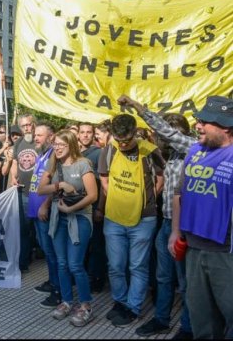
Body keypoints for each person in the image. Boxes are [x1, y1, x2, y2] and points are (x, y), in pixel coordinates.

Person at [118, 95, 194, 339]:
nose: (163, 137)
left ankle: (187, 328)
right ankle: (161, 319)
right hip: (167, 225)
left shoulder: (192, 149)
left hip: (184, 228)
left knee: (184, 283)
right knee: (163, 277)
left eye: (169, 133)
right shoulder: (171, 155)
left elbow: (164, 131)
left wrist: (136, 105)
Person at [168, 96, 233, 339]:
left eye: (205, 122)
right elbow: (178, 192)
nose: (198, 126)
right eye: (198, 120)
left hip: (225, 252)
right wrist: (175, 231)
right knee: (201, 318)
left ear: (225, 126)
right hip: (193, 248)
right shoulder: (195, 150)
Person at [98, 114, 165, 327]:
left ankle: (133, 307)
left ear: (135, 132)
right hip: (114, 218)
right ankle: (119, 301)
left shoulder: (150, 150)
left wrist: (145, 201)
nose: (123, 144)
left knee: (138, 266)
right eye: (119, 140)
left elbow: (161, 177)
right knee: (116, 265)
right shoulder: (108, 150)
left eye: (127, 140)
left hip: (144, 220)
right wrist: (120, 199)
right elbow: (104, 178)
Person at [38, 130, 98, 327]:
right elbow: (41, 189)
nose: (57, 148)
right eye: (55, 144)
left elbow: (92, 196)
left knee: (75, 265)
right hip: (58, 217)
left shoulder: (83, 164)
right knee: (61, 263)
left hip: (79, 218)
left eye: (61, 145)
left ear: (71, 145)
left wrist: (71, 208)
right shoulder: (54, 163)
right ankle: (66, 301)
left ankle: (86, 305)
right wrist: (60, 184)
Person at [27, 123, 60, 308]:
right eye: (35, 134)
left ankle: (57, 288)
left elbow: (56, 184)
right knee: (46, 250)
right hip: (35, 210)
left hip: (44, 211)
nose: (36, 138)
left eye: (40, 135)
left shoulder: (54, 156)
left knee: (51, 251)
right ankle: (52, 281)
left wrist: (45, 206)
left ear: (51, 136)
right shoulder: (41, 154)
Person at [78, 122, 106, 294]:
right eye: (83, 132)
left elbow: (104, 184)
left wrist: (100, 208)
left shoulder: (99, 153)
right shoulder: (75, 154)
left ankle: (96, 278)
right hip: (79, 207)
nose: (86, 135)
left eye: (89, 132)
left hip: (94, 206)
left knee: (96, 244)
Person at [10, 114, 37, 273]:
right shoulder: (18, 143)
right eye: (23, 126)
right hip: (23, 192)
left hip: (39, 194)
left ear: (34, 124)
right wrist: (14, 176)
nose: (27, 128)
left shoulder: (40, 141)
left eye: (29, 124)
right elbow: (15, 162)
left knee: (41, 231)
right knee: (24, 228)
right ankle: (23, 262)